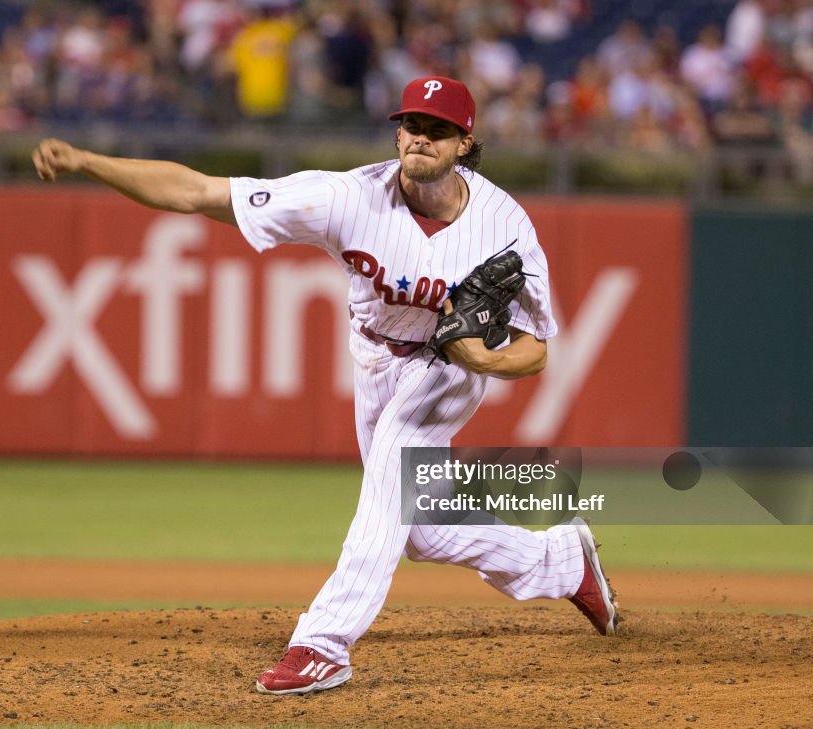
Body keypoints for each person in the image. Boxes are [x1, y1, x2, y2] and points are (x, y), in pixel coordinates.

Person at [31, 75, 619, 696]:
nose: (420, 138)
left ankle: (324, 643)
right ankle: (558, 562)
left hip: (447, 369)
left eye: (438, 130)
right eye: (412, 125)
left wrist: (482, 360)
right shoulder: (345, 198)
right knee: (423, 529)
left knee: (392, 469)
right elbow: (197, 192)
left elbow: (536, 352)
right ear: (397, 132)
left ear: (465, 143)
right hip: (372, 357)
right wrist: (88, 161)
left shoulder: (505, 226)